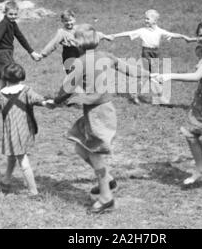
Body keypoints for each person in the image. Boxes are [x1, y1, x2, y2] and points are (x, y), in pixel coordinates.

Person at [45, 24, 151, 213]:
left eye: (73, 39)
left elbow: (67, 88)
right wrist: (150, 74)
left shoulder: (80, 62)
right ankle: (109, 182)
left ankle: (106, 198)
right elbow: (130, 70)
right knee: (80, 147)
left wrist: (55, 102)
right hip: (99, 111)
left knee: (95, 155)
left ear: (77, 42)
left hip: (98, 113)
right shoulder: (107, 56)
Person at [152, 20, 202, 194]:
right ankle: (200, 168)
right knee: (190, 133)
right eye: (201, 35)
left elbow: (197, 75)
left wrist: (169, 76)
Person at [107, 9, 195, 104]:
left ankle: (137, 94)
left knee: (150, 76)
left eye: (148, 19)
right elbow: (128, 33)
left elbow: (172, 35)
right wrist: (114, 35)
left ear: (155, 21)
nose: (145, 21)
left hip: (155, 54)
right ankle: (160, 98)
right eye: (145, 19)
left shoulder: (159, 31)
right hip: (146, 53)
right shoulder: (142, 31)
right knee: (151, 75)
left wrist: (184, 37)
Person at [0, 63, 48, 196]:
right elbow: (38, 99)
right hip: (24, 130)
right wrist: (46, 102)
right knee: (15, 156)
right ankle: (7, 182)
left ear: (5, 77)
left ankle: (33, 191)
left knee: (21, 159)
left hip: (11, 132)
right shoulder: (26, 90)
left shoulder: (0, 95)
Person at [0, 1, 42, 89]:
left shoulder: (12, 24)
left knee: (4, 82)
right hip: (2, 55)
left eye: (15, 14)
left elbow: (21, 38)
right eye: (10, 14)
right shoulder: (3, 24)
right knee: (10, 78)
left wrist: (31, 52)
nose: (13, 16)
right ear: (5, 13)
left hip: (8, 54)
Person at [39, 9, 112, 74]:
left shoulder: (79, 29)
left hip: (82, 52)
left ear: (74, 19)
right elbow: (53, 43)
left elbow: (91, 35)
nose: (68, 23)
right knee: (72, 75)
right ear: (62, 21)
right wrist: (43, 54)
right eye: (66, 21)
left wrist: (105, 36)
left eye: (70, 20)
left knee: (86, 73)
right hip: (69, 54)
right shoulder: (61, 32)